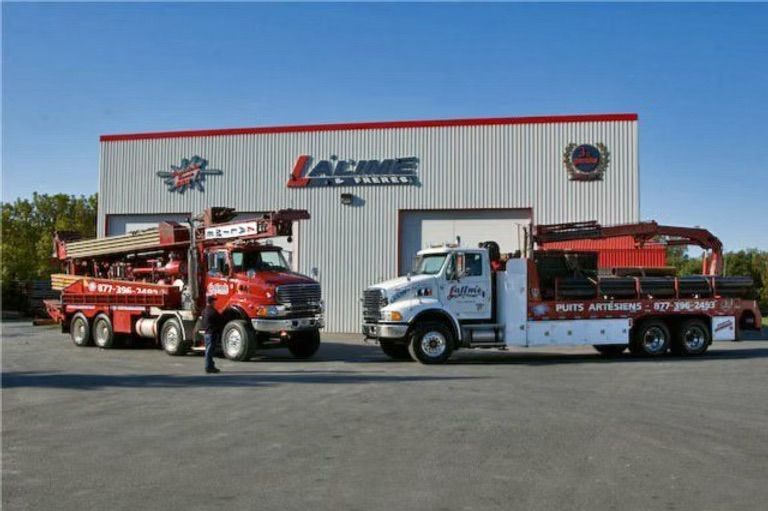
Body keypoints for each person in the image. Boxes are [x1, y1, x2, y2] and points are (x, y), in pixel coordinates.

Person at [201, 295, 222, 374]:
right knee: (209, 352)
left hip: (206, 333)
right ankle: (208, 367)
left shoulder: (204, 311)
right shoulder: (213, 311)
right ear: (212, 302)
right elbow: (219, 320)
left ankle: (211, 366)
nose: (215, 302)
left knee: (208, 351)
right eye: (214, 301)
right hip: (212, 333)